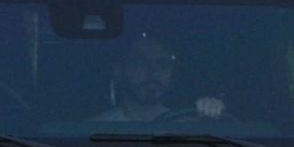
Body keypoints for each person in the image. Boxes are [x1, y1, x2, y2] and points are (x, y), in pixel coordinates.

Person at [93, 34, 223, 122]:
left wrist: (212, 115)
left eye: (162, 64)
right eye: (141, 62)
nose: (153, 71)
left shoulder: (186, 126)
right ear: (119, 71)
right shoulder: (95, 129)